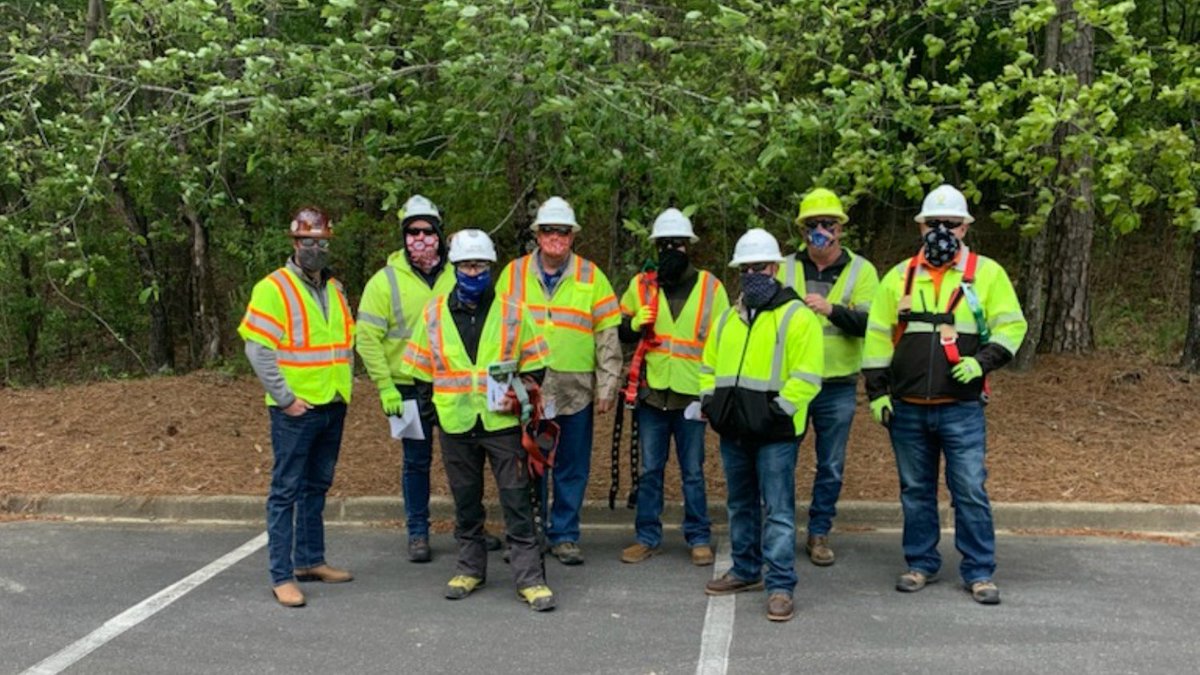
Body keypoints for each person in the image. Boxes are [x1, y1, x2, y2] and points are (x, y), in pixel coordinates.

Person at [862, 184, 1027, 605]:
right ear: (920, 227)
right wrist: (877, 392)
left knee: (969, 489)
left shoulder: (987, 274)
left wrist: (983, 362)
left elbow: (1012, 326)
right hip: (907, 407)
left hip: (961, 408)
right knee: (915, 490)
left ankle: (979, 571)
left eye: (951, 224)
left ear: (965, 228)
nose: (942, 231)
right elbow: (877, 337)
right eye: (933, 223)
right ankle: (920, 563)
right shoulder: (899, 276)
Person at [401, 229, 556, 611]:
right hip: (455, 423)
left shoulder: (513, 311)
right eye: (468, 266)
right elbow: (420, 370)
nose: (474, 273)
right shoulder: (434, 314)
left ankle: (530, 577)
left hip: (501, 423)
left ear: (490, 268)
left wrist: (522, 393)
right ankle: (470, 568)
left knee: (517, 499)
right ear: (455, 267)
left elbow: (535, 364)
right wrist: (433, 412)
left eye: (481, 266)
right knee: (466, 500)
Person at [699, 228, 824, 622]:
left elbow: (807, 376)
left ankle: (781, 585)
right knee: (740, 505)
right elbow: (708, 366)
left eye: (760, 267)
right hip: (734, 430)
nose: (753, 274)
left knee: (778, 510)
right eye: (746, 268)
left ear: (776, 268)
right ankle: (746, 569)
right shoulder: (727, 319)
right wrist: (710, 403)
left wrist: (777, 412)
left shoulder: (798, 316)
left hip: (776, 433)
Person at [237, 206, 356, 608]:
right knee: (285, 491)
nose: (315, 248)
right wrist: (286, 399)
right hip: (296, 409)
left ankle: (309, 560)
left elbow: (343, 343)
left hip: (332, 402)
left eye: (321, 242)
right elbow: (258, 350)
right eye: (308, 241)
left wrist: (344, 389)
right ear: (294, 242)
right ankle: (282, 575)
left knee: (316, 486)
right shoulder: (273, 288)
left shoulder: (335, 288)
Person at [496, 196, 622, 566]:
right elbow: (496, 331)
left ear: (572, 236)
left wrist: (607, 386)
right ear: (537, 235)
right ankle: (527, 535)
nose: (556, 237)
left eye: (563, 232)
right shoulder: (513, 274)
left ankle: (564, 535)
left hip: (575, 389)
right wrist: (499, 384)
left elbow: (607, 336)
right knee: (527, 465)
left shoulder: (591, 276)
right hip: (528, 388)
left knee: (572, 465)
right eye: (549, 230)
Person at [617, 208, 728, 567]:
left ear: (688, 246)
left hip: (692, 395)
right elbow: (619, 329)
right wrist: (634, 323)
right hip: (652, 394)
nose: (671, 250)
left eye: (677, 243)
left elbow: (725, 341)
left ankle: (698, 537)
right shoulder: (641, 285)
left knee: (692, 471)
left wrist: (715, 392)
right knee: (650, 470)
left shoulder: (711, 287)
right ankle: (647, 537)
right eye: (664, 244)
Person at [777, 189, 879, 566]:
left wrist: (833, 309)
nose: (820, 231)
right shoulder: (784, 267)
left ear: (840, 230)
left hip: (837, 384)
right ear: (802, 230)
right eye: (813, 225)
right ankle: (780, 529)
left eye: (828, 224)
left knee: (831, 464)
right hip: (791, 382)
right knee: (780, 458)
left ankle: (819, 532)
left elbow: (871, 323)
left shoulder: (861, 271)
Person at [355, 195, 455, 563]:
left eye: (428, 231)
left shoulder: (458, 273)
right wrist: (384, 386)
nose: (420, 239)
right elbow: (367, 338)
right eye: (413, 232)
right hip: (406, 388)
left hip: (453, 385)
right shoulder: (384, 282)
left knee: (463, 460)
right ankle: (417, 532)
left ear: (440, 234)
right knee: (416, 461)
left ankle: (469, 527)